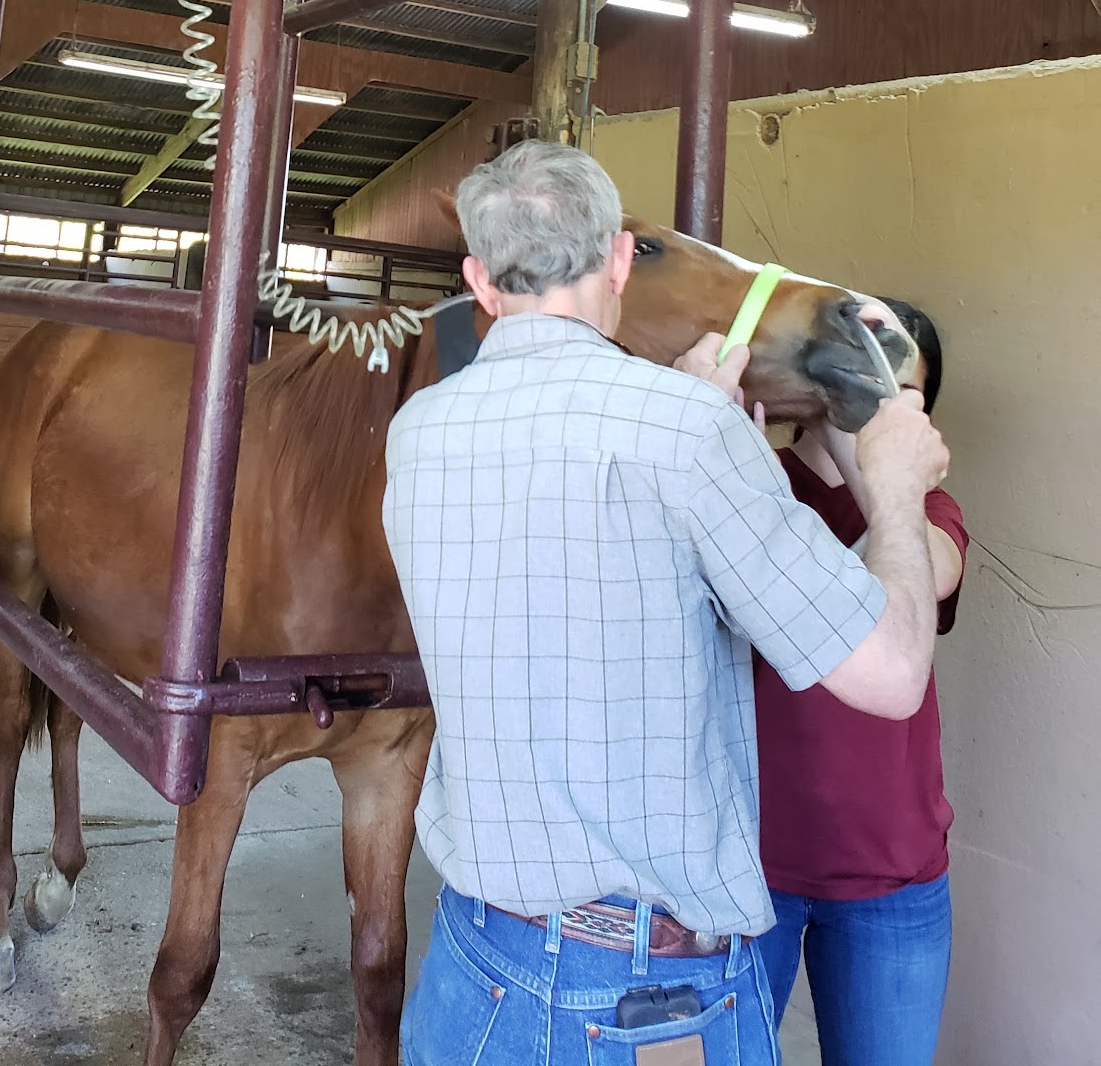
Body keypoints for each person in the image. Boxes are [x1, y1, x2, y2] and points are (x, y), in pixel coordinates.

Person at [382, 141, 950, 1066]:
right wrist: (890, 490)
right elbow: (889, 674)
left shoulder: (420, 432)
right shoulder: (688, 433)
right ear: (615, 259)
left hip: (473, 959)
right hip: (644, 997)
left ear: (479, 281)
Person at [755, 302, 967, 1066]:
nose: (872, 405)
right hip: (750, 875)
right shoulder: (756, 484)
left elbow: (920, 576)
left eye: (896, 392)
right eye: (858, 375)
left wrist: (884, 464)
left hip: (893, 879)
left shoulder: (927, 512)